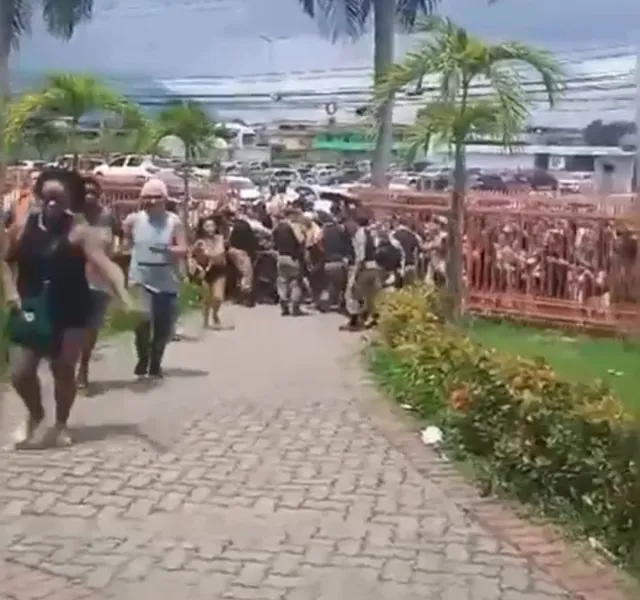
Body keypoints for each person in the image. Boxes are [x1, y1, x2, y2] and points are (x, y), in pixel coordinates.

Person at [1, 169, 133, 448]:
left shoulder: (80, 232)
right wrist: (11, 291)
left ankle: (60, 424)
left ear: (69, 201)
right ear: (38, 197)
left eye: (58, 198)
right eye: (47, 197)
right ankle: (35, 415)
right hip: (31, 307)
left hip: (71, 310)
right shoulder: (24, 226)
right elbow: (3, 259)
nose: (52, 203)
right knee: (20, 373)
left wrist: (124, 294)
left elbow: (105, 264)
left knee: (63, 371)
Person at [122, 179, 187, 378]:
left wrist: (171, 250)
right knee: (142, 322)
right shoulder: (133, 220)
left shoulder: (173, 221)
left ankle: (156, 362)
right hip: (140, 277)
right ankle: (143, 357)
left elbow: (183, 248)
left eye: (156, 197)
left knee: (162, 325)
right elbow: (126, 246)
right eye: (147, 197)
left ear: (165, 199)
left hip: (165, 277)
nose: (151, 201)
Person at [77, 176, 120, 389]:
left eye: (93, 191)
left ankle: (83, 368)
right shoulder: (71, 217)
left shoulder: (107, 218)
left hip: (99, 281)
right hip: (71, 280)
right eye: (85, 191)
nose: (89, 196)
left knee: (91, 327)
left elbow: (119, 240)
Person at [341, 208, 381, 331]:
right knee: (370, 296)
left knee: (351, 293)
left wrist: (355, 274)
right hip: (374, 267)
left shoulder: (360, 234)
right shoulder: (369, 233)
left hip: (364, 268)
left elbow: (361, 256)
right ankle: (370, 319)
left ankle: (354, 322)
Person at [190, 214, 228, 329]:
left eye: (212, 225)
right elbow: (191, 255)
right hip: (205, 272)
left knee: (218, 297)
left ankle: (215, 314)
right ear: (203, 228)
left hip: (219, 270)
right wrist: (196, 266)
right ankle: (205, 320)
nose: (210, 228)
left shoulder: (221, 239)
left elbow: (220, 253)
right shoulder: (199, 242)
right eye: (207, 226)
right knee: (206, 297)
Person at [272, 206, 306, 316]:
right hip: (293, 257)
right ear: (291, 215)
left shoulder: (277, 228)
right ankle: (295, 307)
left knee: (282, 281)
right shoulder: (293, 226)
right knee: (295, 282)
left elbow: (274, 243)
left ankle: (283, 300)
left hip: (281, 256)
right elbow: (300, 240)